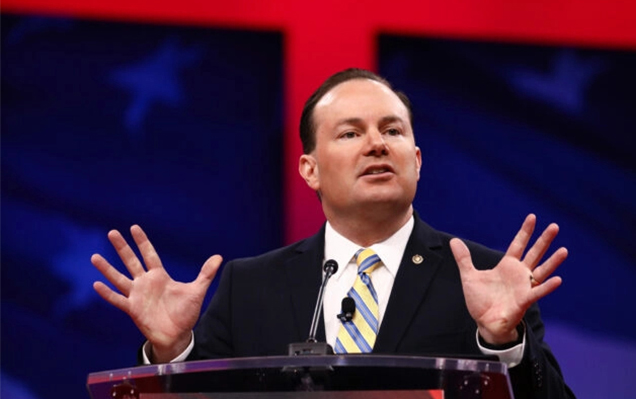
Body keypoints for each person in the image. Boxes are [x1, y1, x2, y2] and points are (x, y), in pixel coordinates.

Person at [91, 68, 576, 398]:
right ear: (310, 169)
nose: (376, 144)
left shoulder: (486, 277)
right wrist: (174, 353)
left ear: (417, 161)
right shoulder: (250, 287)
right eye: (350, 133)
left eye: (393, 131)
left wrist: (501, 342)